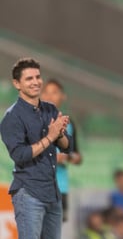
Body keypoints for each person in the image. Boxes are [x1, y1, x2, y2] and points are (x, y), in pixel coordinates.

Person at [0, 58, 73, 239]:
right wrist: (50, 136)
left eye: (38, 77)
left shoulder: (50, 109)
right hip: (29, 193)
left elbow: (67, 147)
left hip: (52, 193)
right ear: (17, 83)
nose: (36, 82)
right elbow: (20, 155)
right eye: (29, 79)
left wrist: (60, 134)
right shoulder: (12, 117)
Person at [41, 78, 82, 222]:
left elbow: (78, 157)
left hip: (60, 187)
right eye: (46, 92)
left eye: (55, 92)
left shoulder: (69, 124)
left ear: (63, 96)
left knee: (55, 231)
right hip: (39, 186)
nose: (50, 96)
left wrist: (67, 157)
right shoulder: (35, 120)